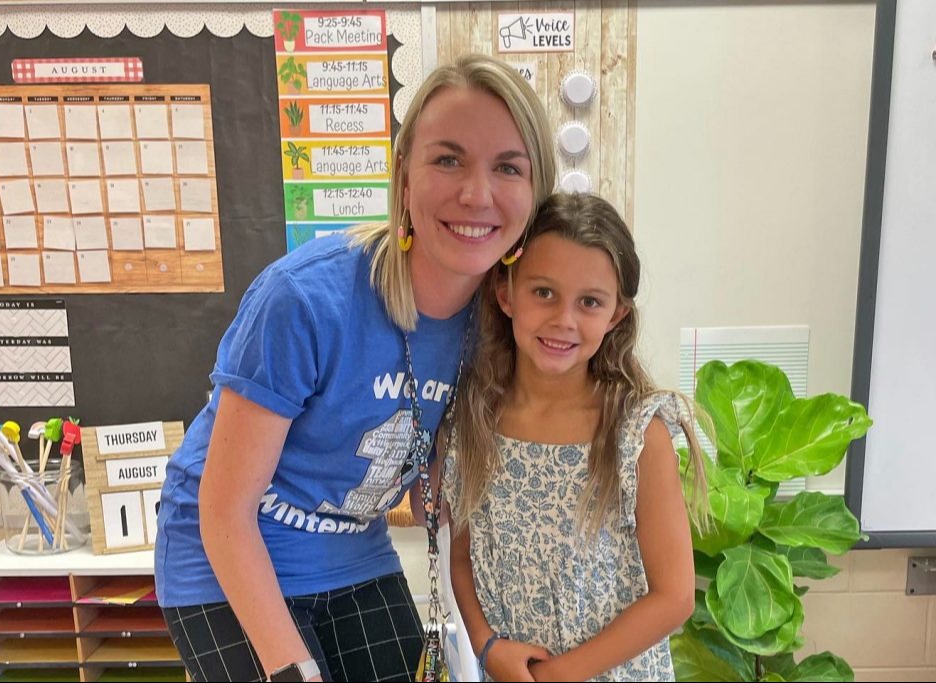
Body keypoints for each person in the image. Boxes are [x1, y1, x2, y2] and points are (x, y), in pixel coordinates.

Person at [154, 53, 557, 683]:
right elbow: (224, 510)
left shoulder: (499, 328)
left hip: (351, 555)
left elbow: (437, 503)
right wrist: (291, 670)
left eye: (508, 167)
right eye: (447, 159)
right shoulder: (304, 299)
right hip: (223, 558)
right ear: (403, 177)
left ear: (535, 196)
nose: (476, 193)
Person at [444, 192, 709, 682]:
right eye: (543, 292)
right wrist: (487, 645)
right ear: (506, 293)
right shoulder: (472, 422)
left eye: (589, 302)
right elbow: (462, 557)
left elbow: (674, 597)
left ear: (615, 317)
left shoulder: (636, 433)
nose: (563, 319)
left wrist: (557, 675)